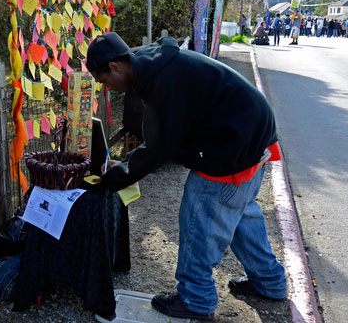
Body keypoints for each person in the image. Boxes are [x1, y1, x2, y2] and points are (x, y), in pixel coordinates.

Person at [86, 32, 288, 321]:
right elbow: (165, 139)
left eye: (104, 81)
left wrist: (112, 179)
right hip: (253, 135)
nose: (110, 88)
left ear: (115, 67)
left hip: (234, 147)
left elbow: (159, 148)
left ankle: (196, 298)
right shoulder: (155, 64)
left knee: (200, 215)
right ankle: (270, 281)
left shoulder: (162, 81)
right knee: (240, 212)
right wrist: (127, 165)